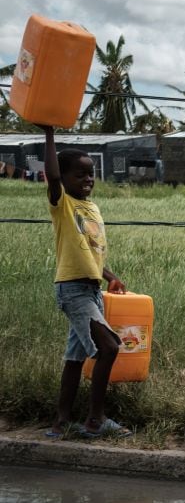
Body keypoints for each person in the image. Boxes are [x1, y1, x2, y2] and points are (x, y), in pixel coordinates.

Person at [40, 124, 131, 439]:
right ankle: (96, 419)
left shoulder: (92, 207)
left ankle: (61, 422)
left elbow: (92, 250)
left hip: (91, 290)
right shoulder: (62, 203)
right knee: (109, 347)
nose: (88, 179)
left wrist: (109, 276)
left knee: (75, 358)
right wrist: (49, 134)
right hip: (73, 290)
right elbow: (51, 175)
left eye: (91, 173)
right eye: (79, 174)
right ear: (63, 179)